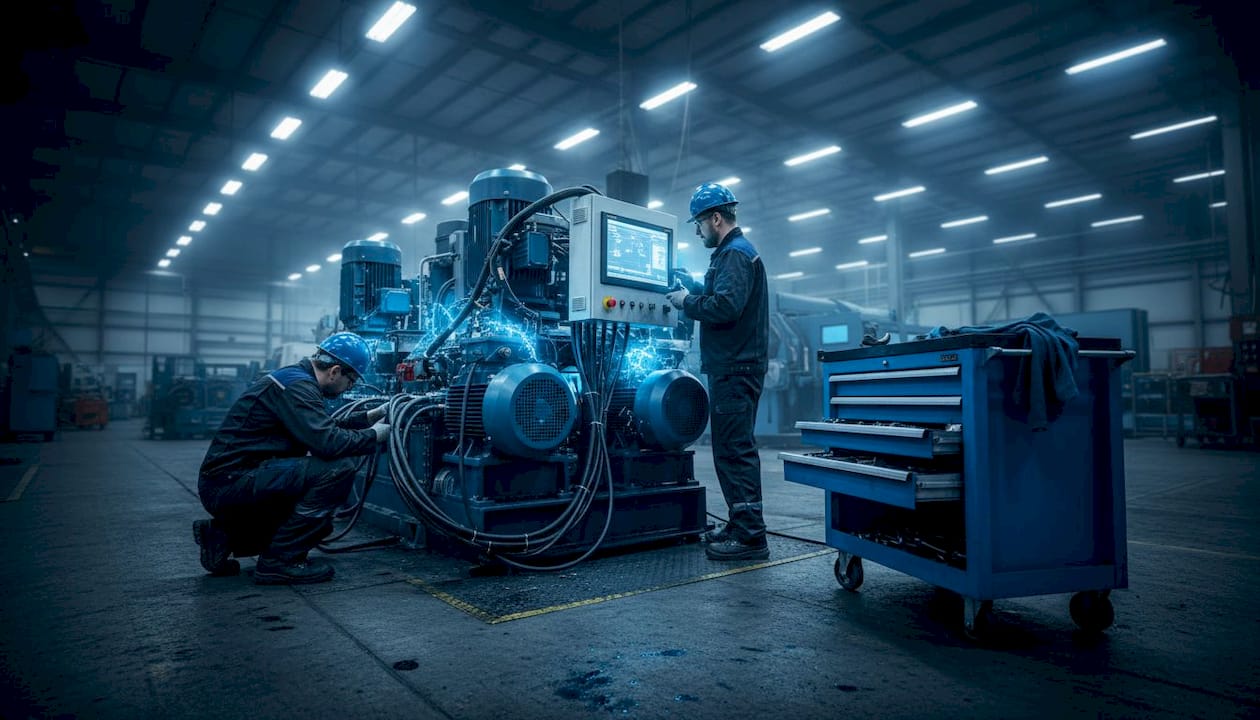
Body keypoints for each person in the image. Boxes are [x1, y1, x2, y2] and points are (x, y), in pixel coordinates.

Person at [193, 332, 390, 585]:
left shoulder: (294, 379)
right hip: (230, 484)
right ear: (335, 371)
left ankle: (222, 537)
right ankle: (279, 562)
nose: (349, 388)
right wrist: (374, 436)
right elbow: (328, 443)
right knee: (337, 470)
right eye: (350, 381)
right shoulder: (298, 387)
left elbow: (320, 427)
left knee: (320, 524)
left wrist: (369, 417)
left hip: (232, 480)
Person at [665, 182, 770, 561]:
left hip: (735, 367)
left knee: (735, 450)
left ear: (715, 218)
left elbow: (726, 307)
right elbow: (722, 295)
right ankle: (741, 523)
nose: (697, 232)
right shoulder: (731, 254)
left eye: (698, 223)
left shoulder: (735, 255)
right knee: (729, 449)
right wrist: (694, 285)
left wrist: (686, 301)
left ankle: (751, 536)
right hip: (734, 365)